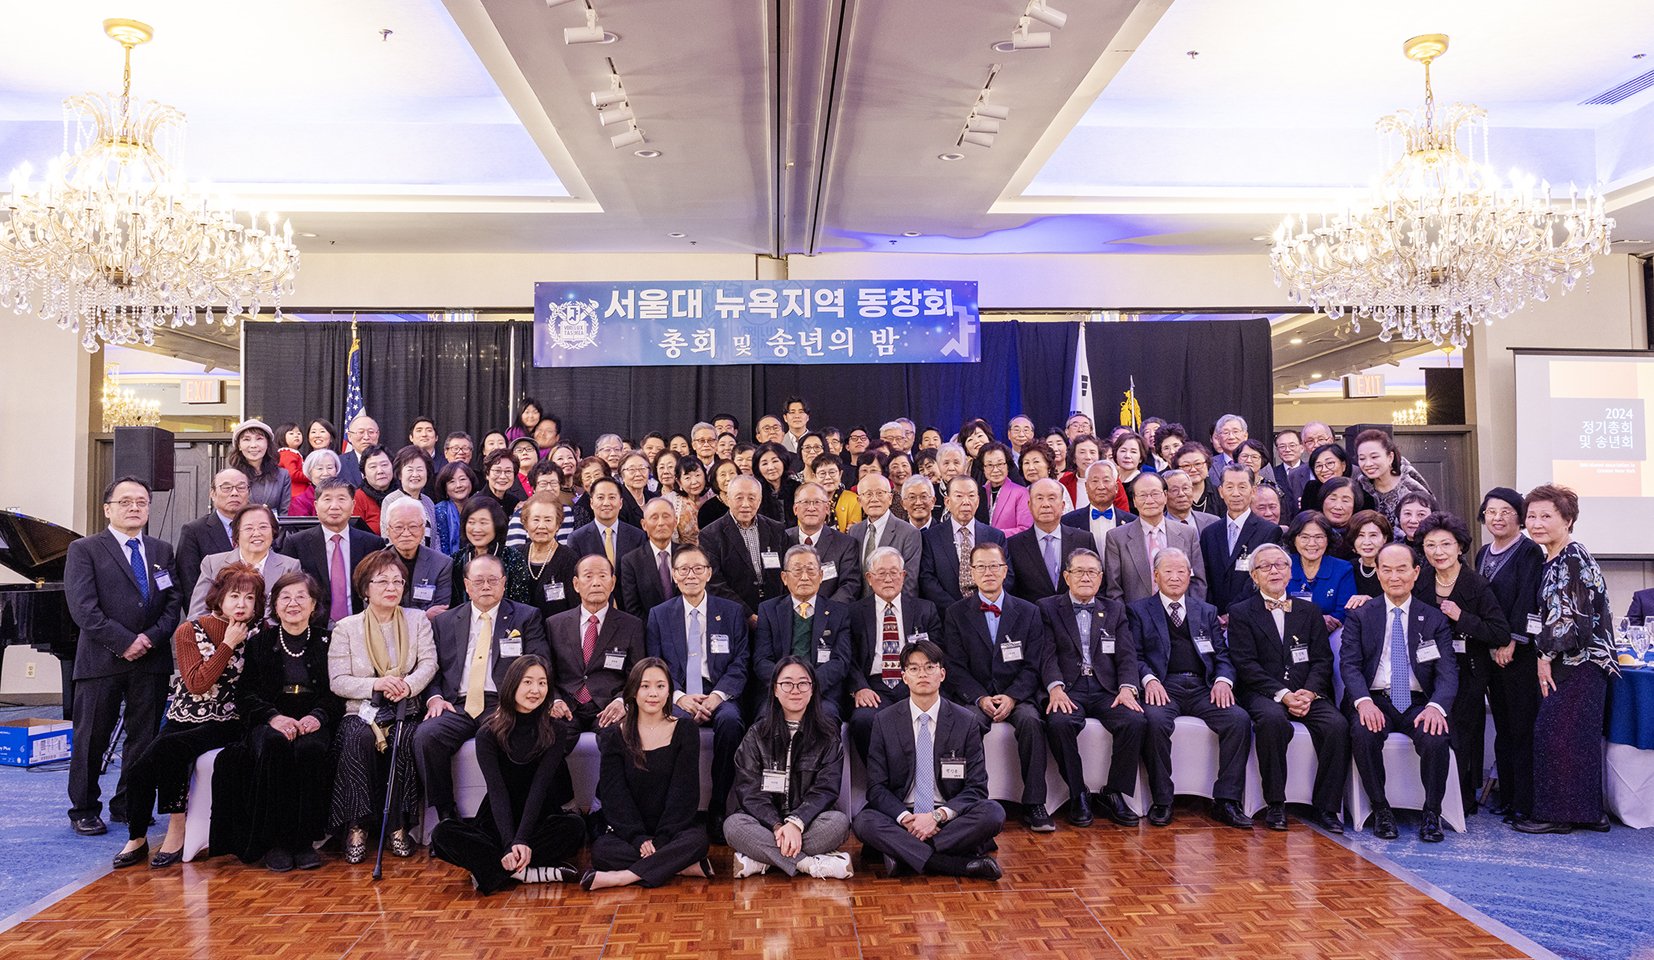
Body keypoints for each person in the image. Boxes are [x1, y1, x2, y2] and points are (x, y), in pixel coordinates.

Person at [113, 561, 261, 869]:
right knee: (140, 768)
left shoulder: (259, 635)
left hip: (227, 719)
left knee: (170, 750)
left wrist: (234, 642)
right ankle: (137, 837)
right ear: (219, 597)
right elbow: (196, 683)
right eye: (235, 596)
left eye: (250, 598)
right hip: (185, 714)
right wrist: (227, 645)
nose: (241, 604)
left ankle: (176, 829)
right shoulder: (190, 629)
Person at [64, 478, 182, 836]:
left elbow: (173, 601)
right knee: (91, 738)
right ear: (108, 509)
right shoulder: (85, 549)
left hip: (151, 659)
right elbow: (83, 608)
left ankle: (129, 803)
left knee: (143, 737)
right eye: (126, 501)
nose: (134, 508)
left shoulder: (162, 549)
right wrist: (125, 641)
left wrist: (149, 638)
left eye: (141, 502)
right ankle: (84, 808)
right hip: (102, 659)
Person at [430, 655, 585, 893]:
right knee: (441, 834)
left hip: (538, 821)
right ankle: (527, 873)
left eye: (542, 683)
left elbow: (540, 788)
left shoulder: (556, 730)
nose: (536, 690)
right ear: (512, 684)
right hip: (498, 822)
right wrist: (509, 843)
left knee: (575, 827)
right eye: (528, 682)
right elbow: (497, 791)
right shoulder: (488, 733)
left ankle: (493, 871)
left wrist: (521, 840)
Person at [416, 553, 552, 824]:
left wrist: (518, 702)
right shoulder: (445, 621)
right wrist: (435, 697)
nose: (486, 587)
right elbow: (431, 666)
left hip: (503, 703)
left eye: (492, 580)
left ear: (504, 583)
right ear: (466, 586)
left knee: (513, 735)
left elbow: (541, 662)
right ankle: (446, 814)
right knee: (426, 736)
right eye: (479, 581)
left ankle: (507, 815)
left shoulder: (525, 616)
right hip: (456, 704)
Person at [852, 639, 1005, 879]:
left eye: (929, 667)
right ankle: (955, 865)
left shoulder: (966, 721)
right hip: (904, 816)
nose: (922, 674)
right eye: (914, 668)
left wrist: (937, 817)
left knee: (993, 812)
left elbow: (976, 788)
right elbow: (877, 788)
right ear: (904, 677)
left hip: (947, 817)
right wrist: (906, 819)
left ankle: (904, 856)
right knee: (864, 821)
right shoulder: (884, 720)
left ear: (942, 674)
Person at [1513, 484, 1618, 835]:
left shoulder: (1573, 556)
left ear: (1568, 520)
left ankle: (1558, 815)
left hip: (1581, 661)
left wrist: (1544, 656)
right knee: (1574, 735)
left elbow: (1571, 618)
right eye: (1531, 516)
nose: (1537, 523)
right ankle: (1590, 813)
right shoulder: (1553, 557)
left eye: (1546, 516)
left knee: (1556, 733)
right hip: (1572, 661)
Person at [1225, 543, 1348, 832]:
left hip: (1307, 691)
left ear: (1290, 572)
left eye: (1280, 565)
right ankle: (1276, 803)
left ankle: (1327, 807)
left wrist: (1309, 692)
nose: (1274, 571)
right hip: (1263, 692)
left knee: (1337, 726)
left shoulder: (1309, 611)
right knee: (1272, 722)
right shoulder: (1241, 613)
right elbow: (1245, 664)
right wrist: (1283, 695)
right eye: (1265, 566)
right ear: (1254, 576)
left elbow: (1322, 659)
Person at [1127, 547, 1253, 829]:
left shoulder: (1206, 611)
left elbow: (1222, 654)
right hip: (1163, 685)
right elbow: (1133, 655)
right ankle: (1162, 799)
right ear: (1155, 576)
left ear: (1190, 575)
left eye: (1180, 571)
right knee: (1154, 721)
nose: (1174, 577)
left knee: (1238, 719)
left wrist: (1222, 680)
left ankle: (1226, 800)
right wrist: (1149, 680)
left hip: (1202, 686)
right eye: (1168, 572)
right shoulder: (1138, 610)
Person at [327, 549, 438, 863]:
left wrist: (407, 684)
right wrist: (376, 684)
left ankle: (398, 825)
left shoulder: (417, 620)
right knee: (356, 740)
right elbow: (338, 681)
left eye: (397, 581)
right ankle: (357, 825)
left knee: (404, 739)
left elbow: (429, 663)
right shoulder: (346, 627)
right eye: (383, 582)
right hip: (362, 710)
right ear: (365, 588)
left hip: (406, 707)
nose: (392, 588)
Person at [1340, 543, 1457, 843]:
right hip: (1375, 698)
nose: (1395, 576)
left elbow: (1447, 672)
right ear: (1377, 574)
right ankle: (1381, 809)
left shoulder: (1433, 618)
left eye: (1402, 569)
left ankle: (1432, 813)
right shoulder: (1361, 616)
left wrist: (1436, 707)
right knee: (1363, 733)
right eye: (1387, 570)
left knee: (1435, 736)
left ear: (1416, 573)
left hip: (1418, 701)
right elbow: (1350, 665)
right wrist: (1363, 701)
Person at [228, 571, 339, 871]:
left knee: (310, 750)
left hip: (313, 718)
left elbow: (337, 690)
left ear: (314, 605)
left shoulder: (329, 641)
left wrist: (318, 717)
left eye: (301, 597)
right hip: (269, 719)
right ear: (275, 606)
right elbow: (246, 695)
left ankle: (303, 841)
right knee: (275, 746)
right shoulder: (258, 643)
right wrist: (274, 718)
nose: (293, 604)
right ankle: (276, 841)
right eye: (285, 598)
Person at [943, 542, 1054, 831]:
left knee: (1032, 722)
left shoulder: (1029, 612)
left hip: (1017, 694)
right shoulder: (956, 613)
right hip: (976, 695)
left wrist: (1013, 697)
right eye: (981, 566)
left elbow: (1034, 663)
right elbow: (954, 667)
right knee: (966, 724)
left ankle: (1034, 803)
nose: (988, 572)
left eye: (994, 566)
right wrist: (979, 698)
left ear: (1005, 571)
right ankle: (966, 802)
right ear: (971, 573)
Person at [645, 545, 749, 839]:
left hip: (719, 693)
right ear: (674, 576)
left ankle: (718, 806)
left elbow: (741, 661)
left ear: (709, 573)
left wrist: (717, 696)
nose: (691, 575)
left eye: (697, 568)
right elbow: (655, 665)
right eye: (683, 570)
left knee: (730, 723)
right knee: (681, 725)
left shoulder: (730, 612)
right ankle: (682, 812)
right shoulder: (659, 615)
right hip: (677, 695)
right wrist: (679, 697)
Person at [1037, 548, 1144, 828]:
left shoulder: (1115, 609)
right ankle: (1078, 793)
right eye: (1079, 572)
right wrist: (1055, 688)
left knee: (1134, 720)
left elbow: (1127, 654)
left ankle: (1113, 792)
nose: (1086, 577)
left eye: (1092, 572)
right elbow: (1046, 653)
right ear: (1066, 577)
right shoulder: (1047, 607)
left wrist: (1127, 688)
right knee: (1059, 722)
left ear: (1100, 578)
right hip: (1068, 688)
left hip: (1105, 688)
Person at [586, 658, 713, 888]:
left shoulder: (685, 730)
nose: (652, 693)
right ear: (633, 690)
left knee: (699, 841)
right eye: (645, 686)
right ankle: (681, 866)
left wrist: (663, 839)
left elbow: (684, 792)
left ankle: (622, 877)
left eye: (660, 686)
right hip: (630, 833)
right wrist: (638, 838)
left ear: (669, 692)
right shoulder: (614, 736)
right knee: (601, 851)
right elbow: (615, 795)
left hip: (672, 830)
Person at [1415, 511, 1510, 815]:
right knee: (1434, 732)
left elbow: (1499, 632)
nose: (1438, 552)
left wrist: (1461, 617)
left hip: (1469, 670)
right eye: (1430, 545)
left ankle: (1463, 798)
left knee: (1464, 735)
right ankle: (1431, 797)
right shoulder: (1421, 579)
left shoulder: (1475, 584)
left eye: (1445, 544)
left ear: (1459, 547)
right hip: (1427, 669)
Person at [725, 657, 853, 879]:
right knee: (733, 826)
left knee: (839, 824)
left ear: (813, 689)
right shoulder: (756, 735)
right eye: (787, 683)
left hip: (810, 821)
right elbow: (749, 791)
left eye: (803, 683)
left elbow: (826, 789)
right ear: (775, 689)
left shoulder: (828, 736)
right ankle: (809, 864)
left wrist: (796, 822)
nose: (795, 690)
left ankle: (760, 860)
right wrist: (777, 826)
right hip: (765, 824)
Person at [1475, 488, 1545, 823]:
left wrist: (1512, 641)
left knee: (1521, 727)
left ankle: (1524, 802)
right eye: (1491, 511)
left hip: (1517, 653)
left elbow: (1528, 601)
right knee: (1502, 727)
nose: (1498, 517)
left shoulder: (1529, 552)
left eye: (1506, 511)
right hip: (1490, 650)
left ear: (1519, 516)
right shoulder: (1483, 552)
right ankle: (1506, 794)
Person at [847, 547, 942, 762]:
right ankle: (879, 780)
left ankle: (919, 777)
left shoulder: (924, 609)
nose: (888, 579)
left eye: (894, 572)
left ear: (903, 576)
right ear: (869, 578)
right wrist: (859, 687)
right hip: (874, 685)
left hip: (915, 682)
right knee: (863, 719)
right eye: (881, 573)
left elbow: (938, 652)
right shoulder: (854, 613)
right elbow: (848, 656)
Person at [546, 555, 645, 748]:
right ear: (576, 584)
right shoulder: (555, 624)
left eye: (602, 576)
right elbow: (547, 673)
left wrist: (622, 701)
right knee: (549, 741)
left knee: (618, 740)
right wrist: (555, 700)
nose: (596, 583)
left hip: (609, 706)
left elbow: (637, 675)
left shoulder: (631, 625)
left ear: (613, 582)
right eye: (588, 576)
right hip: (567, 706)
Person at [752, 545, 853, 725]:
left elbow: (841, 661)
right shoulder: (768, 610)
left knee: (827, 718)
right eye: (797, 571)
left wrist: (808, 685)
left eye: (811, 570)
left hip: (822, 692)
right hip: (780, 692)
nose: (804, 577)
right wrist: (787, 685)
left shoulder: (839, 612)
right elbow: (761, 659)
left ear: (821, 576)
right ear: (784, 577)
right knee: (765, 720)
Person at [281, 479, 386, 627]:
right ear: (316, 506)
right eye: (327, 499)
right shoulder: (296, 543)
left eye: (342, 499)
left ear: (353, 505)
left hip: (361, 625)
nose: (334, 506)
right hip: (312, 626)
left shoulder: (372, 544)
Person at [1104, 471, 1206, 605]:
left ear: (1165, 496)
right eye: (1143, 495)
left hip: (1181, 616)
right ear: (1134, 501)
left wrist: (1191, 614)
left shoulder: (1187, 533)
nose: (1149, 500)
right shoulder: (1117, 538)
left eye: (1155, 494)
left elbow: (1197, 582)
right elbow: (1114, 589)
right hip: (1135, 619)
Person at [1199, 464, 1285, 617]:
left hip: (1252, 615)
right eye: (1230, 487)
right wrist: (1213, 613)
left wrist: (1233, 612)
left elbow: (1260, 580)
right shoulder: (1209, 533)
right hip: (1215, 618)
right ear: (1221, 491)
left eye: (1242, 487)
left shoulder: (1268, 531)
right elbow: (1206, 579)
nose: (1236, 494)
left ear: (1252, 491)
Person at [701, 474, 790, 621]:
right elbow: (714, 582)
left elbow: (788, 571)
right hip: (733, 615)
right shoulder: (710, 535)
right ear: (728, 500)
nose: (745, 504)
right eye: (739, 498)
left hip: (776, 613)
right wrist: (747, 615)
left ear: (760, 500)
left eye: (752, 498)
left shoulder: (776, 529)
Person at [188, 504, 302, 619]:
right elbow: (197, 614)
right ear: (237, 534)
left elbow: (293, 613)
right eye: (249, 528)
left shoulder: (290, 567)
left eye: (263, 527)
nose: (257, 533)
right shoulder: (212, 564)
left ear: (273, 531)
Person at [918, 475, 1009, 611]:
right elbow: (927, 579)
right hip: (948, 614)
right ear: (947, 502)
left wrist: (985, 603)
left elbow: (1008, 576)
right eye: (959, 496)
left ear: (978, 501)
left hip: (989, 610)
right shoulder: (931, 537)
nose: (966, 502)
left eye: (971, 496)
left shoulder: (995, 536)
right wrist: (957, 610)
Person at [1008, 477, 1096, 604]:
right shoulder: (1014, 545)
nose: (1046, 504)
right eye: (1039, 498)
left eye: (1052, 498)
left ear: (1063, 505)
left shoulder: (1083, 539)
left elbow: (1096, 581)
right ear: (1029, 505)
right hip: (1033, 618)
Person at [175, 468, 248, 601]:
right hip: (212, 613)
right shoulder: (194, 531)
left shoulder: (260, 529)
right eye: (226, 488)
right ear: (213, 494)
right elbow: (188, 584)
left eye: (241, 487)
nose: (234, 493)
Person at [449, 496, 532, 608]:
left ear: (496, 525)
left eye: (483, 523)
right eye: (471, 522)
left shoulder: (513, 558)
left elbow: (521, 605)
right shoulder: (456, 560)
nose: (476, 529)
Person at [378, 498, 453, 620]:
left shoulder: (442, 564)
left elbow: (440, 611)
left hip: (429, 634)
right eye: (398, 527)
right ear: (388, 530)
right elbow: (377, 609)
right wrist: (424, 615)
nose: (406, 533)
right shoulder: (376, 564)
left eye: (413, 526)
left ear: (423, 529)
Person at [788, 481, 861, 604]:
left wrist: (824, 611)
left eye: (817, 502)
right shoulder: (783, 539)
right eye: (805, 502)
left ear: (827, 508)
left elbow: (850, 585)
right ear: (795, 509)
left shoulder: (845, 543)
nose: (811, 508)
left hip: (830, 615)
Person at [849, 473, 922, 593]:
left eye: (880, 493)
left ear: (890, 498)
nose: (874, 499)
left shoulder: (909, 533)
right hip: (859, 608)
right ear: (859, 500)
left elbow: (909, 582)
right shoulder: (855, 531)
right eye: (868, 494)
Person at [1285, 511, 1357, 631]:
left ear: (1328, 539)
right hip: (1288, 634)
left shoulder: (1343, 569)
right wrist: (1316, 621)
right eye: (1304, 537)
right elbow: (1276, 606)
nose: (1312, 544)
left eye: (1319, 537)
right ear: (1294, 539)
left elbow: (1344, 611)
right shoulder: (1283, 567)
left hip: (1330, 636)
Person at [1354, 429, 1432, 527]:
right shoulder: (1361, 486)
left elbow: (1432, 518)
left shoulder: (1410, 483)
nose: (1368, 464)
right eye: (1362, 458)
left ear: (1390, 457)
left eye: (1374, 457)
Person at [568, 476, 647, 570]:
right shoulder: (577, 538)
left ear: (621, 503)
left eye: (612, 497)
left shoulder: (637, 536)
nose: (606, 503)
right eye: (600, 497)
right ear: (591, 503)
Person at [618, 499, 680, 618]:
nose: (661, 523)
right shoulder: (631, 561)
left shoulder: (686, 555)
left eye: (666, 516)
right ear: (644, 525)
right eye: (654, 517)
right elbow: (632, 608)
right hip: (648, 631)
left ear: (675, 521)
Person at [228, 419, 292, 514]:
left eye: (259, 439)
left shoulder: (282, 475)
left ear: (267, 443)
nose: (253, 445)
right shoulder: (229, 476)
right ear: (239, 446)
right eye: (246, 439)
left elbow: (284, 513)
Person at [1062, 461, 1133, 547]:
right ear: (1086, 487)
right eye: (1095, 481)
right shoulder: (1068, 522)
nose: (1101, 487)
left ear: (1116, 487)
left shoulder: (1132, 522)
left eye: (1106, 480)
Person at [384, 446, 437, 547]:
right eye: (410, 470)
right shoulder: (391, 500)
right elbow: (387, 539)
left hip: (429, 560)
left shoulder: (428, 502)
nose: (415, 474)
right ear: (400, 474)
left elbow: (435, 539)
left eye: (420, 469)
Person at [977, 442, 1032, 536]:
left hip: (1010, 548)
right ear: (983, 468)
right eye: (990, 465)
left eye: (1000, 464)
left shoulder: (1021, 493)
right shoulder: (979, 493)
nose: (995, 470)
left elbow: (1025, 529)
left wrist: (994, 535)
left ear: (1007, 465)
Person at [1344, 510, 1392, 601]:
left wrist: (1371, 602)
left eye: (1373, 535)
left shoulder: (1394, 568)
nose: (1366, 542)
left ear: (1385, 538)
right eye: (1360, 535)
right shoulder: (1348, 567)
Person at [434, 462, 481, 556]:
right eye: (452, 482)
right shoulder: (439, 511)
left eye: (462, 479)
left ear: (471, 481)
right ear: (445, 487)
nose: (458, 485)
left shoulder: (480, 508)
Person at [353, 446, 396, 535]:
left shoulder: (402, 494)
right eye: (373, 467)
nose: (380, 471)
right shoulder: (357, 498)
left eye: (384, 465)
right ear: (364, 473)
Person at [1163, 467, 1218, 534]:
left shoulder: (1213, 522)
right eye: (1174, 490)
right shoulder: (1158, 525)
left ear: (1192, 490)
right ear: (1164, 495)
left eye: (1185, 488)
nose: (1181, 494)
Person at [290, 448, 340, 518]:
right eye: (320, 468)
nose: (325, 473)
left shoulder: (343, 496)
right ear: (310, 472)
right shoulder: (300, 502)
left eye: (330, 468)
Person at [337, 414, 381, 488]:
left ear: (378, 434)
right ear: (349, 436)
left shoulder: (389, 461)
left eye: (371, 432)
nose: (366, 437)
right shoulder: (338, 463)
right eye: (361, 432)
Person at [480, 449, 525, 515]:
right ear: (487, 474)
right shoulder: (477, 504)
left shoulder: (514, 502)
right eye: (497, 471)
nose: (503, 476)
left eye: (508, 471)